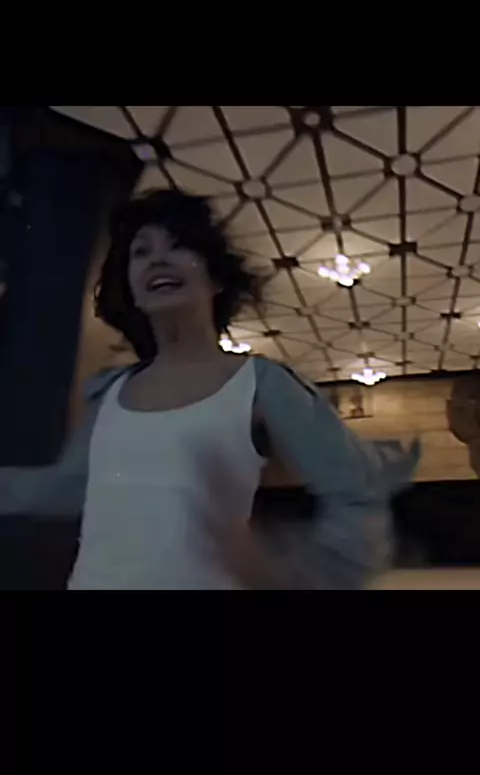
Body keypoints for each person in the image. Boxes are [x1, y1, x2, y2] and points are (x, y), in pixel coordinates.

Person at [0, 189, 420, 589]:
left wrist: (281, 568)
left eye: (179, 246)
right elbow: (68, 488)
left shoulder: (260, 383)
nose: (158, 260)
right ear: (129, 289)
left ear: (216, 277)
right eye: (141, 252)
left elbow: (357, 495)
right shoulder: (109, 391)